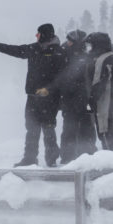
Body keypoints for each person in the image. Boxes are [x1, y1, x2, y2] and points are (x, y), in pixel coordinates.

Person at [0, 23, 66, 167]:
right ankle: (29, 159)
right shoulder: (33, 48)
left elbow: (62, 77)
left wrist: (49, 89)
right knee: (32, 128)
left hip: (50, 99)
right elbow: (14, 49)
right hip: (32, 97)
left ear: (44, 34)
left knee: (48, 128)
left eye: (38, 33)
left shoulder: (58, 52)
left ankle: (51, 160)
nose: (36, 35)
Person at [38, 30, 96, 163]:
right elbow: (59, 77)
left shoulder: (86, 57)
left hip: (83, 98)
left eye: (70, 40)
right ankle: (68, 158)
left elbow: (90, 78)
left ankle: (86, 156)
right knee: (71, 129)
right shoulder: (64, 54)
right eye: (68, 40)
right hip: (70, 98)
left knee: (85, 129)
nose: (68, 42)